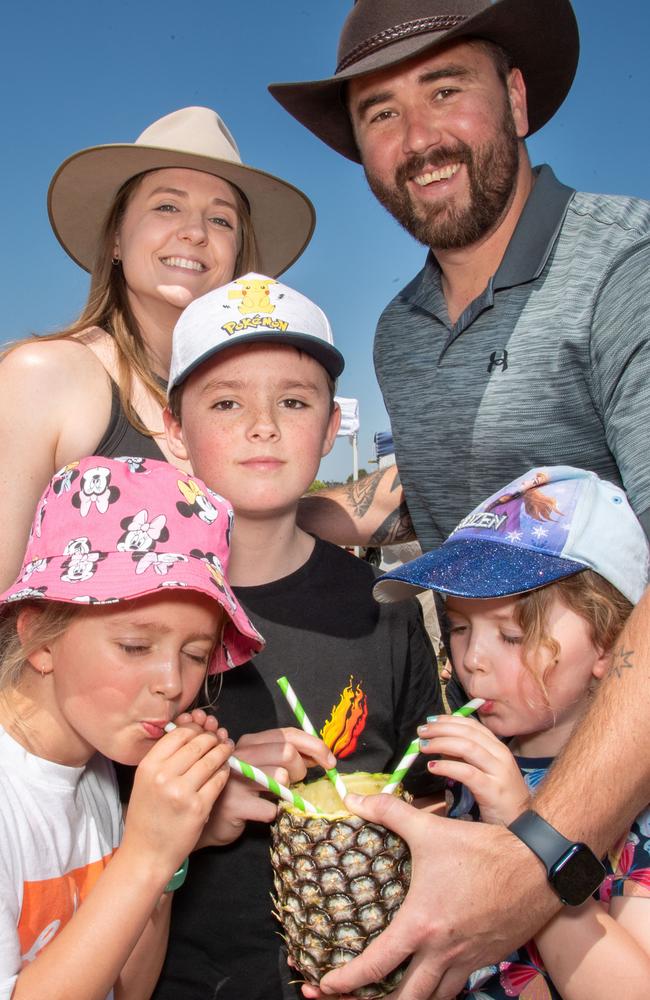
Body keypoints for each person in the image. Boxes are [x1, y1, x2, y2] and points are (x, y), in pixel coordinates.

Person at [151, 274, 444, 1000]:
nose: (263, 425)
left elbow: (430, 801)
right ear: (172, 431)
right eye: (226, 402)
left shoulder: (387, 607)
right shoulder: (136, 617)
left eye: (293, 400)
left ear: (330, 423)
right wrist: (186, 815)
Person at [269, 0, 650, 554]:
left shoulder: (626, 263)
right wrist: (248, 518)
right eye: (382, 114)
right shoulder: (400, 331)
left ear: (515, 100)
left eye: (445, 91)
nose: (419, 139)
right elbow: (433, 498)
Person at [0, 105, 314, 592]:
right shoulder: (44, 376)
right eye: (167, 206)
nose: (195, 232)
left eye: (221, 219)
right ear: (117, 240)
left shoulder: (247, 403)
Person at [376, 466, 650, 998]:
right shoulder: (478, 763)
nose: (471, 660)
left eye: (511, 634)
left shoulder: (637, 802)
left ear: (611, 643)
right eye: (458, 626)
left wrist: (524, 827)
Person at [0, 454, 267, 999]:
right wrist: (145, 855)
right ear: (39, 639)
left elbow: (130, 988)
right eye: (135, 646)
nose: (172, 683)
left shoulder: (95, 767)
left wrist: (171, 851)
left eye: (195, 653)